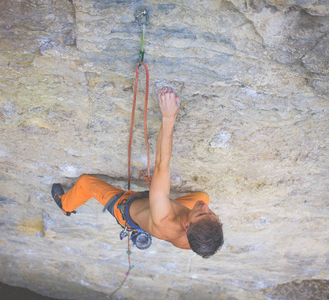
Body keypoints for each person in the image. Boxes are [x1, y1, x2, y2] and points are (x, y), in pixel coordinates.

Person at [51, 87, 223, 258]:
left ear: (187, 227)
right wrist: (160, 196)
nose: (205, 208)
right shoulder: (196, 242)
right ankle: (157, 200)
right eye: (211, 213)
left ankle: (66, 205)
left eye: (201, 213)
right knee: (202, 197)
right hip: (155, 209)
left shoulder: (164, 218)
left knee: (85, 183)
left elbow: (162, 164)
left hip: (126, 209)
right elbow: (205, 242)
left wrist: (169, 117)